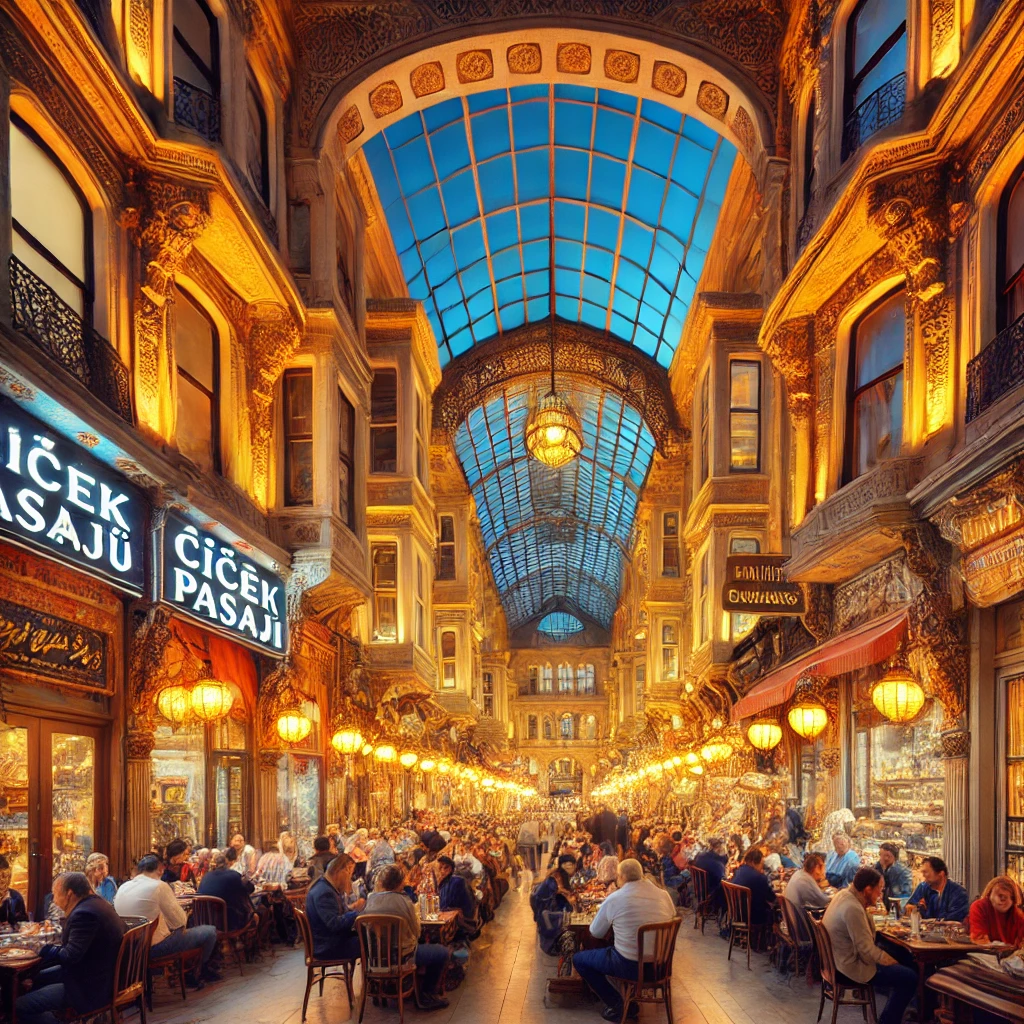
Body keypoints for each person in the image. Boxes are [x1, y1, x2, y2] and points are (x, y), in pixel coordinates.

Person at [572, 858, 676, 1022]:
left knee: (579, 959)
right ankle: (626, 1000)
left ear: (620, 877)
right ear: (641, 874)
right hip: (660, 967)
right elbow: (671, 916)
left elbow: (596, 932)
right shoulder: (663, 895)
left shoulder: (616, 898)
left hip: (629, 966)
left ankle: (618, 1005)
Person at [15, 872, 125, 1024]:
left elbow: (69, 956)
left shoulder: (84, 914)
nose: (53, 900)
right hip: (102, 973)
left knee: (19, 1006)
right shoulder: (98, 904)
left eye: (55, 894)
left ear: (69, 894)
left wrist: (41, 948)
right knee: (39, 976)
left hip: (91, 987)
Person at [823, 868, 917, 1024]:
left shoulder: (844, 895)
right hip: (848, 968)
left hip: (835, 962)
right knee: (909, 977)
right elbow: (866, 950)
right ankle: (887, 1021)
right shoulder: (853, 908)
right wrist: (890, 961)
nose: (880, 894)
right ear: (867, 889)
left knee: (900, 959)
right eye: (879, 889)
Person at [115, 854, 219, 981]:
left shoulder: (123, 887)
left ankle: (188, 971)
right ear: (160, 870)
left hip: (129, 949)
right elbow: (180, 922)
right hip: (154, 948)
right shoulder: (159, 886)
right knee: (210, 931)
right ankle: (197, 972)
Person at [362, 863, 450, 1011]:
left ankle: (381, 991)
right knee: (442, 952)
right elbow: (417, 933)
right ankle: (427, 995)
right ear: (400, 883)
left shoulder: (370, 900)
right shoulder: (404, 902)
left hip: (375, 960)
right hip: (402, 959)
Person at [305, 853, 364, 962]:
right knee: (371, 942)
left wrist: (353, 908)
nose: (349, 879)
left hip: (328, 942)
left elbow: (336, 914)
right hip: (327, 947)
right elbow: (335, 924)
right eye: (349, 874)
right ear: (341, 872)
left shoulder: (324, 886)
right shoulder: (324, 892)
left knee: (367, 936)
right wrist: (358, 913)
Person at [199, 851, 257, 932]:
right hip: (229, 923)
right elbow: (250, 889)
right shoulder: (234, 875)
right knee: (253, 911)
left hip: (206, 922)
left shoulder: (206, 876)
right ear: (228, 863)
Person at [531, 853, 577, 955]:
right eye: (570, 865)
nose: (573, 868)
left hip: (546, 907)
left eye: (573, 865)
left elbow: (564, 892)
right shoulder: (554, 880)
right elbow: (555, 897)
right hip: (545, 911)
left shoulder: (560, 876)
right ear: (564, 866)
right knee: (569, 912)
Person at [907, 856, 970, 924]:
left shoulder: (958, 892)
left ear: (941, 873)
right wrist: (913, 908)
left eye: (926, 872)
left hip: (948, 933)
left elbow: (953, 920)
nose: (923, 876)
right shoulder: (923, 887)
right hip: (924, 932)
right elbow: (911, 905)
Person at [969, 875, 1024, 946]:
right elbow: (979, 938)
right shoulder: (979, 907)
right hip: (983, 953)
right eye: (1000, 896)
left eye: (1011, 897)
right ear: (990, 893)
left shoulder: (1018, 916)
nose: (1004, 901)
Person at [731, 847, 776, 929]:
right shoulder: (759, 877)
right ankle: (768, 940)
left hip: (736, 912)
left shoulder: (739, 870)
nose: (762, 867)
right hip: (751, 916)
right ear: (753, 863)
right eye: (761, 864)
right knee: (775, 910)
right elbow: (771, 898)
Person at [437, 855, 479, 937]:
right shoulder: (443, 883)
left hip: (461, 920)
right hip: (451, 916)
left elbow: (446, 905)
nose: (442, 871)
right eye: (440, 868)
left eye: (446, 868)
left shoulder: (457, 882)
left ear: (451, 869)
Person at [692, 837, 729, 913]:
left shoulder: (700, 856)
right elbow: (723, 878)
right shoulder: (716, 863)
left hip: (699, 888)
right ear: (719, 848)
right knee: (727, 885)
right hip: (710, 893)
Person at [0, 854, 29, 926]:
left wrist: (14, 926)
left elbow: (23, 924)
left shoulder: (15, 897)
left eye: (6, 877)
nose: (3, 881)